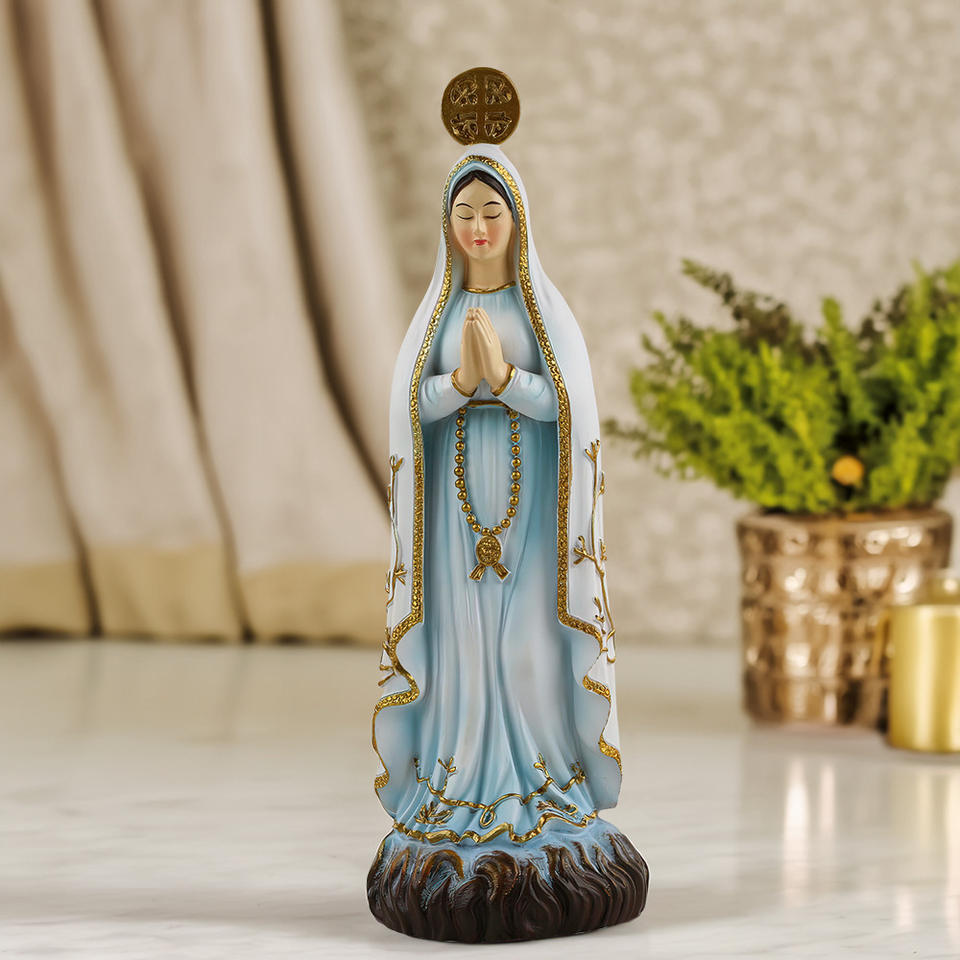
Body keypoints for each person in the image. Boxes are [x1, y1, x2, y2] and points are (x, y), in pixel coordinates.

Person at [369, 141, 646, 942]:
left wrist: (508, 380)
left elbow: (573, 411)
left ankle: (543, 790)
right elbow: (405, 414)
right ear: (447, 225)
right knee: (464, 654)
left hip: (531, 523)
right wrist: (459, 384)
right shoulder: (438, 315)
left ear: (518, 221)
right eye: (465, 213)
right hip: (456, 530)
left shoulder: (542, 314)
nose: (479, 228)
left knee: (525, 652)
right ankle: (461, 793)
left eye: (492, 212)